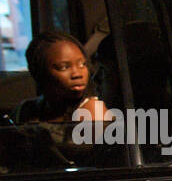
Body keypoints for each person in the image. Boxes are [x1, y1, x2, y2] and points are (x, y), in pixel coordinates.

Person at [15, 30, 109, 166]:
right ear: (39, 71)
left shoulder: (93, 109)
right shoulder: (26, 109)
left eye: (82, 64)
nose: (77, 73)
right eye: (64, 67)